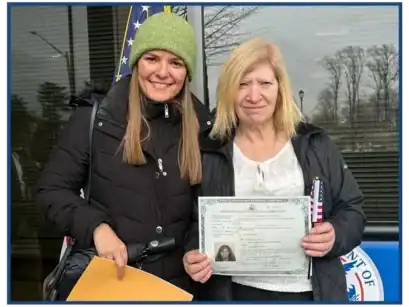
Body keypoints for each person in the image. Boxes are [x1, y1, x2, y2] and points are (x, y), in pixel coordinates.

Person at [36, 12, 212, 300]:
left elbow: (205, 208)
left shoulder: (202, 127)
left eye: (176, 62)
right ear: (136, 62)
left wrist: (195, 247)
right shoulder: (96, 120)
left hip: (181, 288)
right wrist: (95, 226)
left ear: (187, 72)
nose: (163, 72)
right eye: (152, 58)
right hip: (112, 284)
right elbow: (50, 192)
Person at [182, 37, 366, 301]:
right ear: (229, 91)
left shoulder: (315, 144)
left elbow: (353, 210)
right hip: (232, 293)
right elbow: (192, 223)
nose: (254, 96)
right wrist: (192, 254)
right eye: (242, 84)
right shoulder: (209, 151)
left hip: (308, 293)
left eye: (265, 83)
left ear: (280, 88)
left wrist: (335, 234)